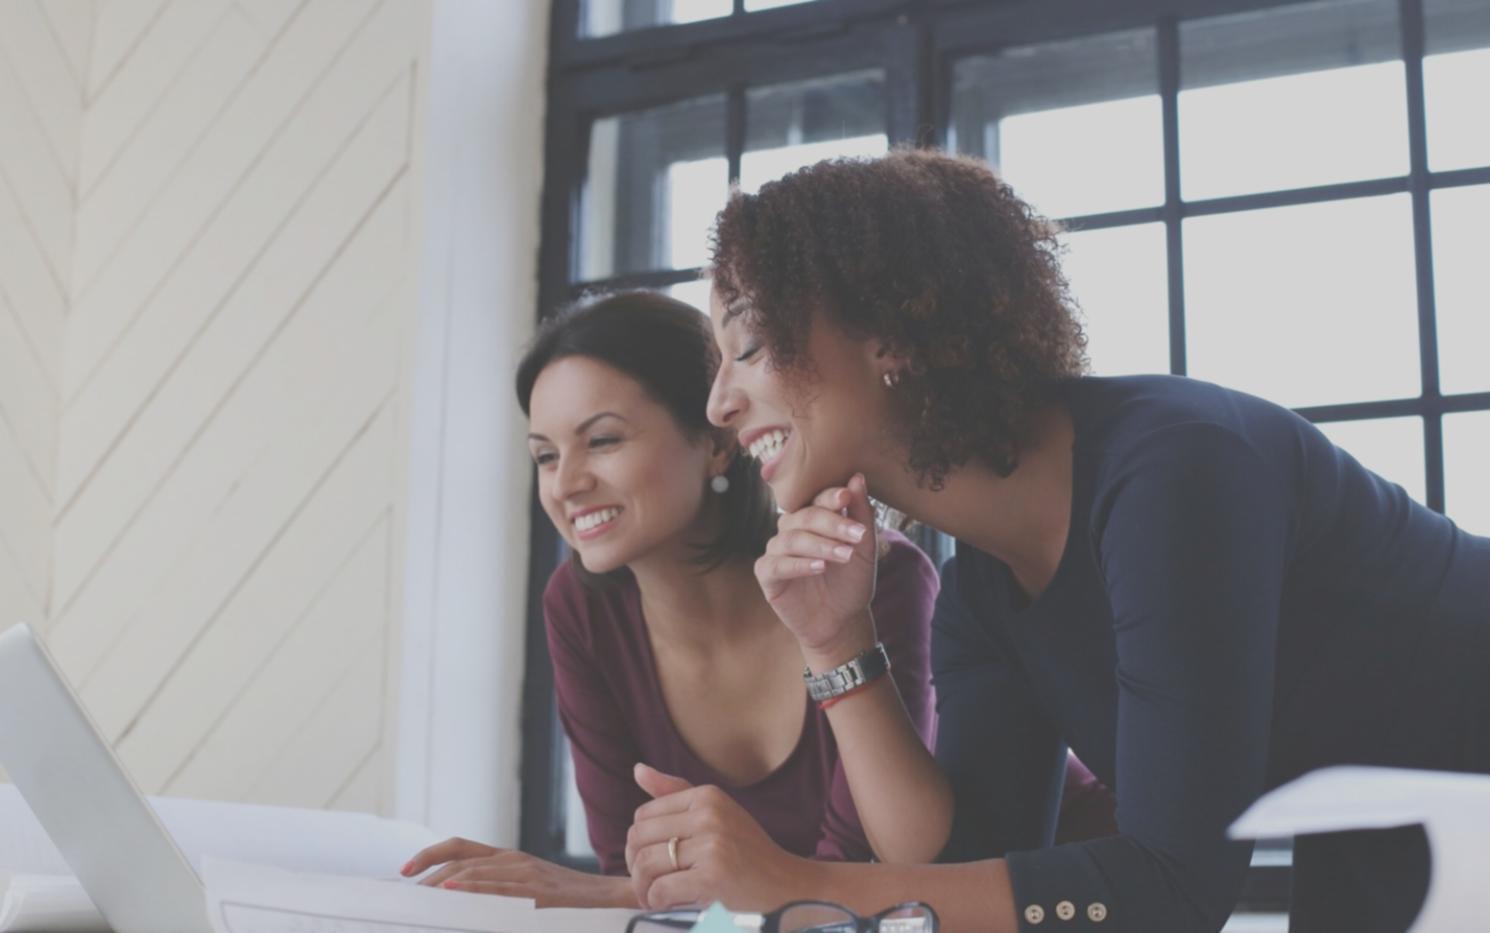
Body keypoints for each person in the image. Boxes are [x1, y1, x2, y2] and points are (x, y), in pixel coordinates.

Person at [620, 150, 1490, 932]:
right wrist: (835, 642)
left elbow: (1172, 891)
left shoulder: (1175, 469)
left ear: (887, 330)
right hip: (1396, 839)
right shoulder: (985, 589)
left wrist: (792, 883)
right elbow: (968, 873)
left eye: (752, 345)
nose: (719, 405)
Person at [398, 291, 1118, 907]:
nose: (566, 483)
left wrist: (593, 890)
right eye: (546, 456)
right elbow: (645, 872)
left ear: (717, 444)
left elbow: (857, 875)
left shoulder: (863, 577)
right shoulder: (581, 607)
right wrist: (610, 890)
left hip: (1054, 901)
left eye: (603, 440)